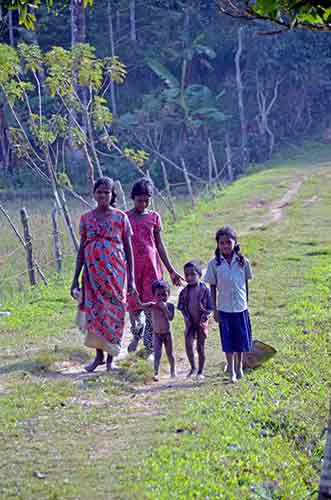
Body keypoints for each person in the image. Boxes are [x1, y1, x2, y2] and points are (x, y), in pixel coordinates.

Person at [71, 177, 136, 372]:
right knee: (95, 314)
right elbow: (82, 250)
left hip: (115, 275)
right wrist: (75, 277)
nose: (103, 195)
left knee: (115, 313)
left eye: (107, 192)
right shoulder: (86, 219)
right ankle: (98, 357)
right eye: (99, 192)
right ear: (94, 194)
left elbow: (128, 248)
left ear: (112, 194)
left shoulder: (120, 218)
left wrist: (131, 277)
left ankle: (110, 360)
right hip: (92, 276)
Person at [126, 178, 183, 357]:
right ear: (132, 198)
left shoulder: (154, 218)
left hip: (152, 269)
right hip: (133, 270)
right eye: (139, 200)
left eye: (146, 200)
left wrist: (171, 270)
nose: (142, 204)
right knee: (134, 307)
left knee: (152, 308)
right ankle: (137, 334)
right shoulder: (125, 218)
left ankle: (150, 347)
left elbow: (159, 245)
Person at [204, 226, 253, 383]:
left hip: (240, 307)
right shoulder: (214, 264)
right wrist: (215, 309)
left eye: (228, 242)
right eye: (222, 243)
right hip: (224, 309)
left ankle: (239, 367)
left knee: (241, 340)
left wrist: (247, 303)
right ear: (218, 244)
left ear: (235, 243)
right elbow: (212, 286)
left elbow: (246, 283)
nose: (225, 246)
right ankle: (230, 369)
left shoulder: (243, 262)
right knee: (228, 340)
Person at [177, 261, 213, 380]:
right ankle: (193, 367)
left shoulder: (204, 290)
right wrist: (186, 318)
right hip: (190, 323)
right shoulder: (184, 292)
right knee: (188, 345)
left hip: (201, 323)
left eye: (193, 274)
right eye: (187, 275)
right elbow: (181, 307)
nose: (189, 277)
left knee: (200, 347)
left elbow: (210, 307)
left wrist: (205, 318)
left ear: (199, 275)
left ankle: (201, 371)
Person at [138, 280, 176, 382]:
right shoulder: (153, 306)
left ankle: (173, 371)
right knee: (157, 354)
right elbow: (140, 306)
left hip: (167, 334)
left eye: (164, 295)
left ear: (169, 294)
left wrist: (164, 308)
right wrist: (137, 298)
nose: (161, 297)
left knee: (170, 354)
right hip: (157, 334)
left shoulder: (170, 306)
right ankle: (156, 373)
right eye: (158, 295)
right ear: (154, 295)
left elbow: (170, 317)